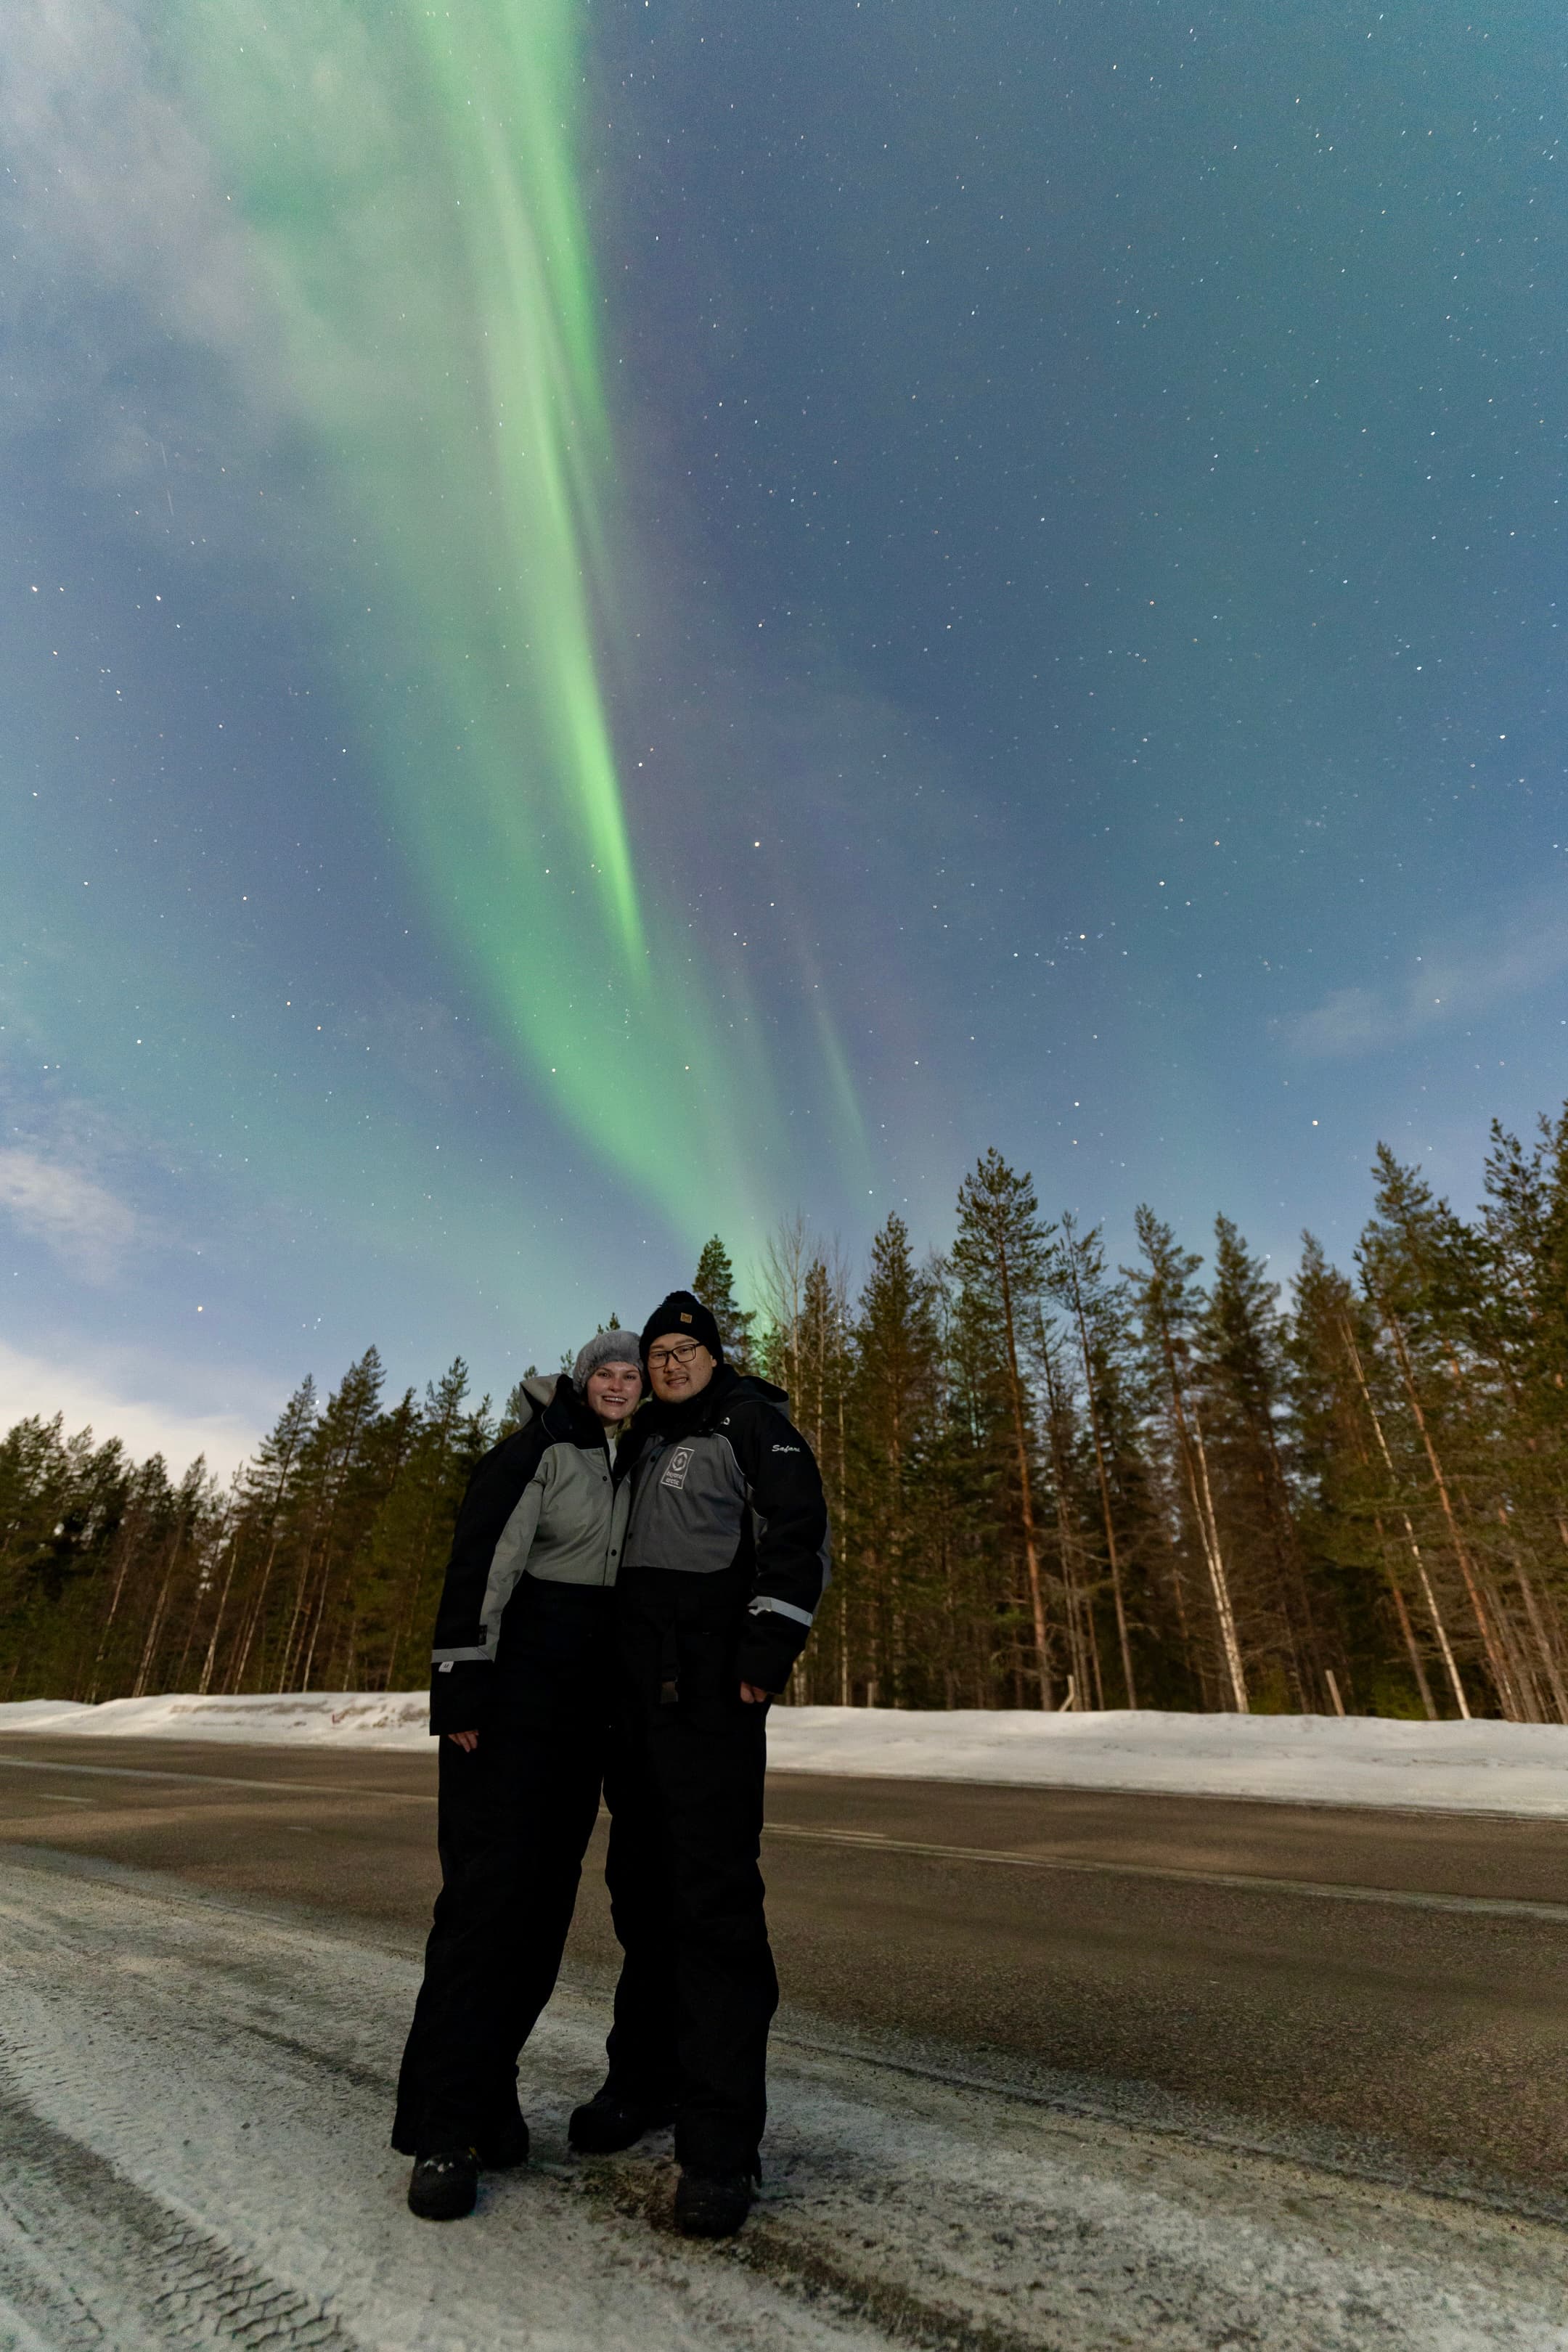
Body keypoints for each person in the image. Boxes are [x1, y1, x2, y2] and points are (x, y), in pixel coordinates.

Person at [568, 1290, 829, 2239]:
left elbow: (798, 1541)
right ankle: (646, 2081)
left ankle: (721, 2145)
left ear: (715, 1356)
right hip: (631, 1705)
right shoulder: (636, 1441)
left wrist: (762, 1657)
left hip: (710, 1701)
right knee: (640, 1896)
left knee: (711, 1907)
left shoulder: (754, 1425)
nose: (672, 1361)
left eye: (686, 1347)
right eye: (659, 1350)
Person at [393, 1331, 644, 2221]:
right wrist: (461, 1685)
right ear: (581, 1383)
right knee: (487, 1910)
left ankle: (488, 2093)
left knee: (539, 1917)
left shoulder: (632, 1459)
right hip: (506, 1709)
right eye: (604, 1373)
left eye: (631, 1374)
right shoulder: (538, 1452)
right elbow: (483, 1563)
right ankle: (443, 2131)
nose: (618, 1385)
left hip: (580, 1719)